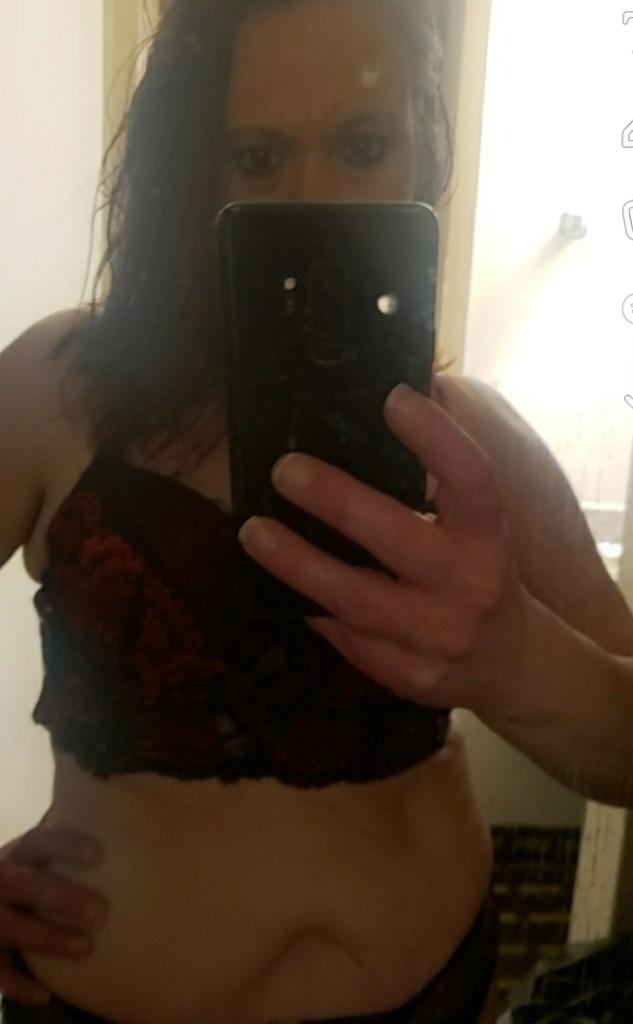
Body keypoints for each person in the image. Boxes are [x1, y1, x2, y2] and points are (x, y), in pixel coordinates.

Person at [2, 0, 633, 1022]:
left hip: (434, 994)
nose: (313, 200)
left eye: (363, 146)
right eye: (256, 156)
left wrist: (514, 658)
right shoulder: (56, 392)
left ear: (421, 152)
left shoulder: (472, 443)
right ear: (191, 170)